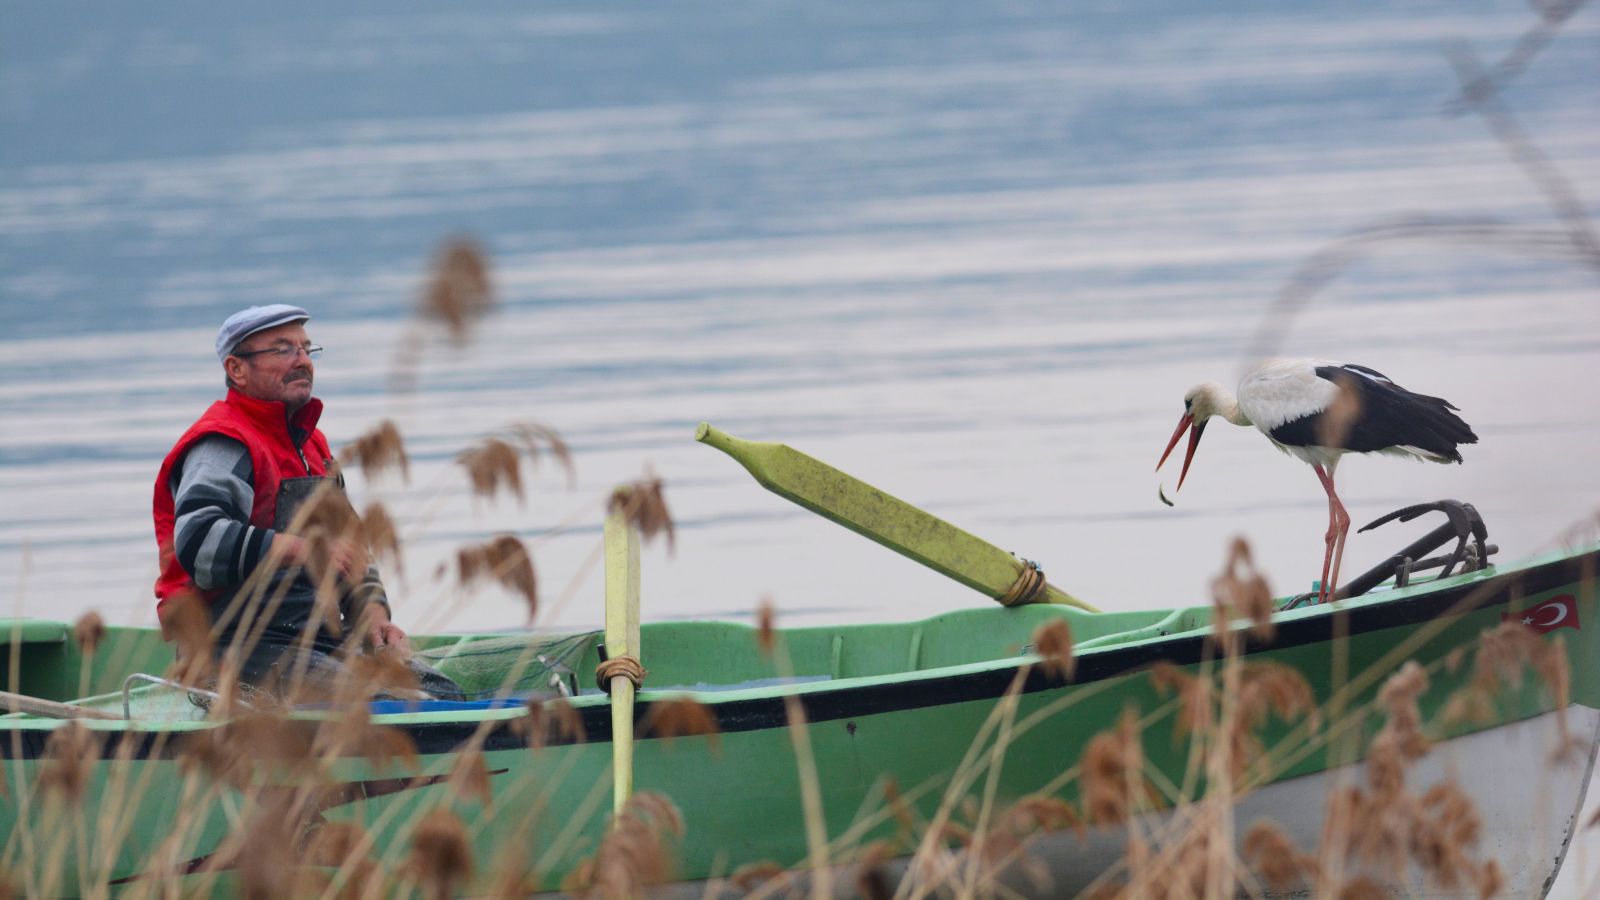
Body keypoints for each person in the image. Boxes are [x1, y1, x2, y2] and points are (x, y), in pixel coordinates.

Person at [152, 304, 463, 701]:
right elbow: (198, 543)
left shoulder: (311, 445)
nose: (302, 361)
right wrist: (301, 549)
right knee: (385, 706)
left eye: (306, 349)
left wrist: (373, 615)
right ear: (236, 369)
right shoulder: (223, 443)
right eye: (283, 350)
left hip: (317, 642)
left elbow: (352, 551)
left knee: (443, 693)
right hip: (232, 649)